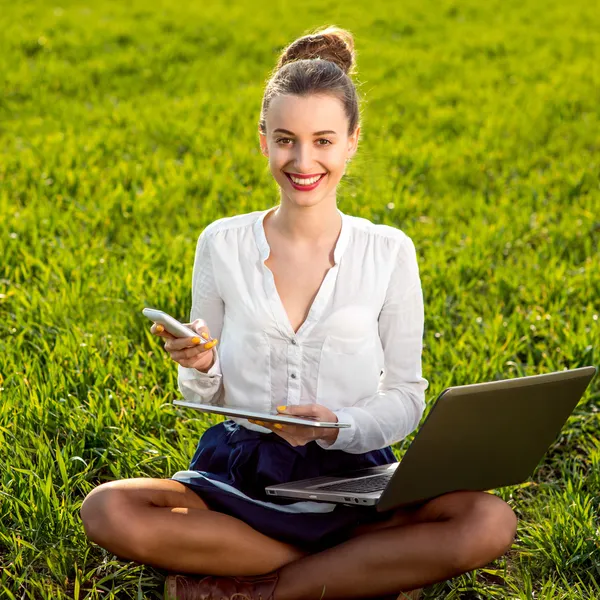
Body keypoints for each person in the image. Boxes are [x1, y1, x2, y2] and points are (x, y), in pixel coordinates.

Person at [79, 25, 518, 600]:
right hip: (246, 476)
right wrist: (201, 362)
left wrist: (339, 425)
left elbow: (407, 396)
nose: (303, 160)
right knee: (109, 509)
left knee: (490, 521)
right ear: (263, 141)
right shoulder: (222, 244)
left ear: (353, 141)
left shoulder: (388, 251)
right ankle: (346, 567)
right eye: (285, 140)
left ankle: (258, 587)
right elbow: (206, 392)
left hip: (354, 474)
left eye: (323, 141)